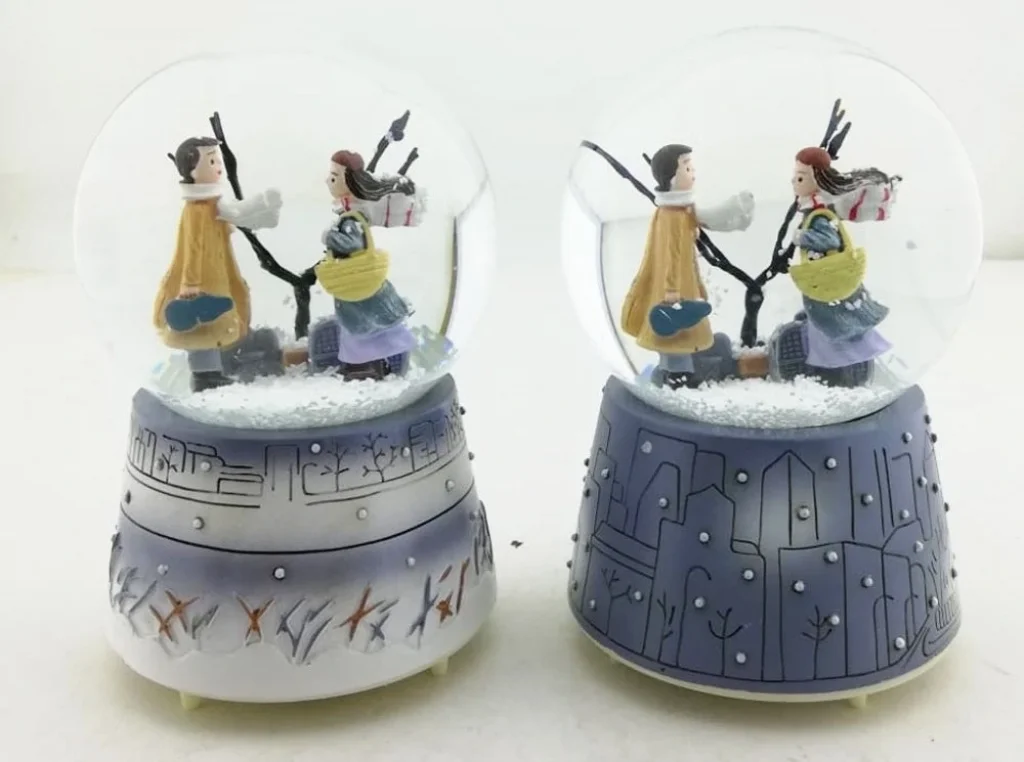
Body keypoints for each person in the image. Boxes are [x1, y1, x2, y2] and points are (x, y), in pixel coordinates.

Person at [153, 136, 282, 392]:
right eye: (212, 161)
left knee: (219, 318)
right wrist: (190, 283)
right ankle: (205, 376)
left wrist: (264, 207)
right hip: (201, 278)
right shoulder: (196, 209)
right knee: (202, 328)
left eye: (218, 160)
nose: (219, 166)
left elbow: (238, 212)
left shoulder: (213, 203)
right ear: (192, 171)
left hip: (217, 273)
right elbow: (192, 247)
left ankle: (217, 366)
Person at [620, 144, 755, 389]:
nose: (693, 173)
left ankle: (673, 372)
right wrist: (671, 291)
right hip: (673, 290)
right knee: (675, 335)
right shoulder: (671, 216)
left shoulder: (681, 210)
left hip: (683, 283)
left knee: (680, 332)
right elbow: (670, 255)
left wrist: (698, 287)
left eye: (692, 168)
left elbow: (704, 229)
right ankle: (678, 378)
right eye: (687, 168)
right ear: (671, 177)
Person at [788, 146, 900, 385]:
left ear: (818, 181)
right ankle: (833, 364)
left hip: (826, 282)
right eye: (795, 176)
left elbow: (829, 239)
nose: (794, 182)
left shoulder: (819, 213)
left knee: (832, 327)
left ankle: (839, 368)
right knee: (827, 326)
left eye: (800, 177)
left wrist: (802, 237)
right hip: (825, 282)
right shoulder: (814, 208)